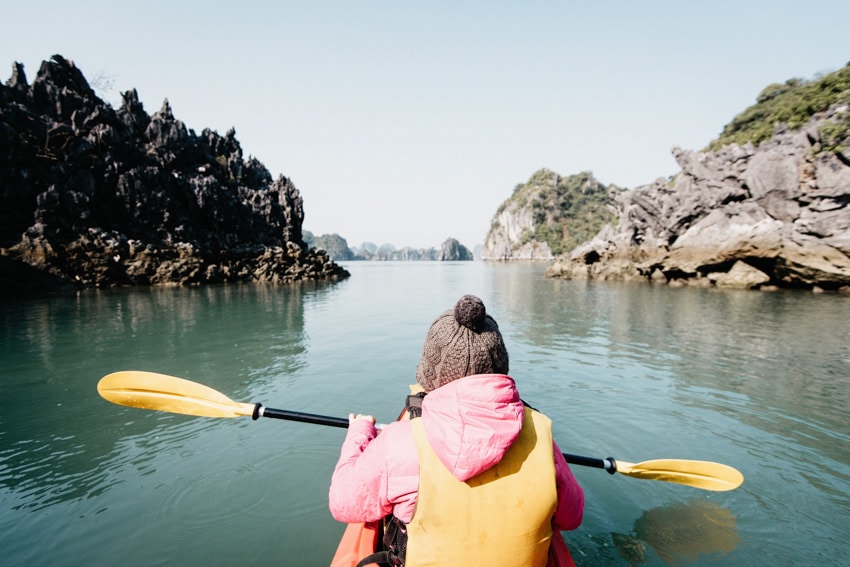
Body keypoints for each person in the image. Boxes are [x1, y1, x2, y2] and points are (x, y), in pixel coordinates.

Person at [329, 295, 584, 566]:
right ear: (500, 366)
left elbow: (342, 502)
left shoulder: (400, 443)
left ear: (429, 372)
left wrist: (358, 432)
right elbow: (572, 517)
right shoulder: (541, 435)